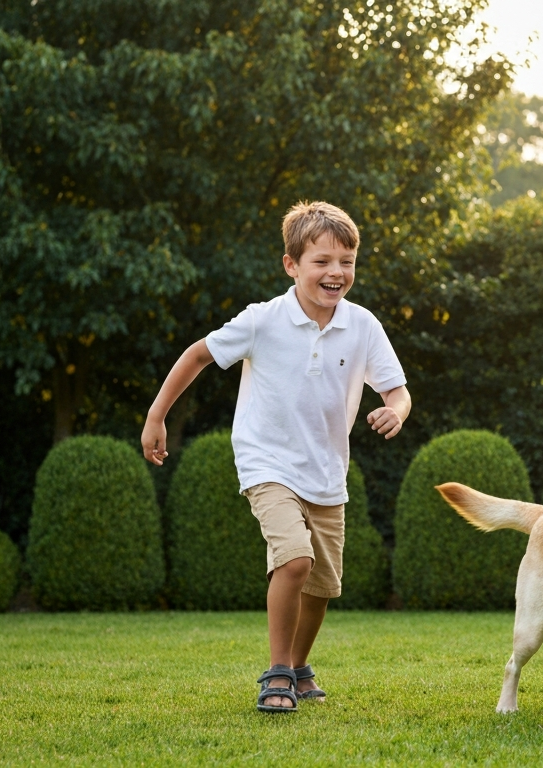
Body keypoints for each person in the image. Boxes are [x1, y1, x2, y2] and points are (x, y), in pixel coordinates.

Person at [141, 201, 411, 713]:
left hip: (327, 471)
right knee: (295, 559)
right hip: (267, 463)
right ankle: (278, 672)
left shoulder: (363, 326)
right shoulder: (262, 321)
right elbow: (198, 354)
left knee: (322, 586)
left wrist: (395, 411)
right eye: (322, 261)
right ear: (292, 265)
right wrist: (156, 416)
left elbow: (397, 390)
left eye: (346, 262)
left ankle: (299, 666)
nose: (336, 273)